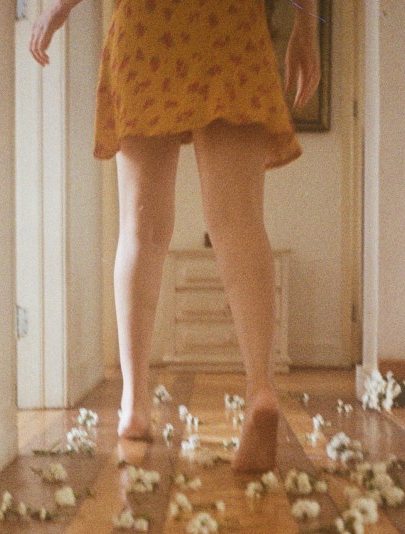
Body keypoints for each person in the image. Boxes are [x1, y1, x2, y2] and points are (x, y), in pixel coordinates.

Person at [30, 0, 320, 472]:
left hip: (147, 24)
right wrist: (306, 27)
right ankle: (260, 389)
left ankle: (134, 402)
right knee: (240, 222)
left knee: (140, 230)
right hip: (231, 24)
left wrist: (56, 10)